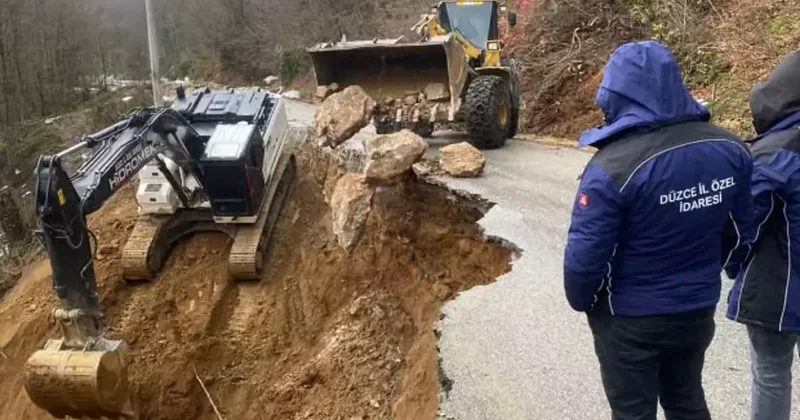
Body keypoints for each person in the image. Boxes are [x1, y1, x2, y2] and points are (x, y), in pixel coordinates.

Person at [563, 40, 755, 420]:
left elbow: (584, 261)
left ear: (615, 94)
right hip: (695, 309)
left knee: (633, 412)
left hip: (629, 319)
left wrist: (586, 302)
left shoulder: (610, 169)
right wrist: (703, 272)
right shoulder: (731, 149)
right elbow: (739, 231)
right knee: (686, 400)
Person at [725, 49, 800, 420]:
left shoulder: (776, 150)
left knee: (771, 375)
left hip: (779, 288)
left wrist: (732, 264)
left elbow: (745, 222)